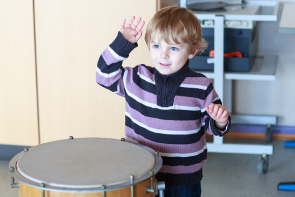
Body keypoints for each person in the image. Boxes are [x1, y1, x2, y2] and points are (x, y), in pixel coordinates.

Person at [96, 6, 231, 197]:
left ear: (192, 50)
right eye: (157, 46)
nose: (163, 55)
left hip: (185, 181)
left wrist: (220, 120)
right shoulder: (136, 78)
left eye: (173, 48)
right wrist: (122, 44)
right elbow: (104, 76)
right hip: (141, 174)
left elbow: (212, 125)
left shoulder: (201, 86)